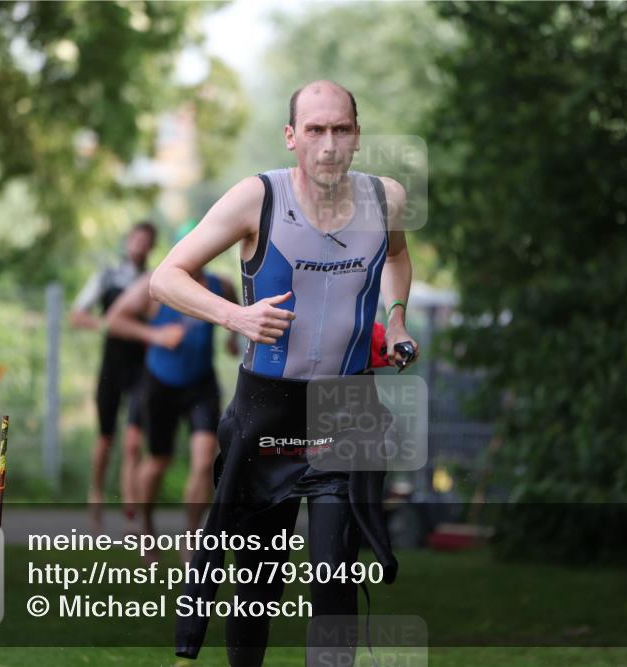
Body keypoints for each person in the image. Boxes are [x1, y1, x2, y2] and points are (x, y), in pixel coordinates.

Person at [149, 80, 419, 665]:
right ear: (292, 137)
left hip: (344, 410)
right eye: (316, 130)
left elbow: (396, 256)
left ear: (356, 137)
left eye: (341, 130)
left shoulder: (385, 200)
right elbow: (166, 276)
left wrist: (395, 320)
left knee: (333, 579)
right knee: (256, 589)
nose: (328, 145)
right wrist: (234, 316)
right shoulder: (257, 199)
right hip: (267, 410)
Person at [106, 221, 241, 562]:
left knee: (203, 461)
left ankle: (192, 536)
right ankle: (146, 527)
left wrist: (231, 337)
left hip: (201, 384)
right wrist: (155, 336)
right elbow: (115, 319)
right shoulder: (155, 285)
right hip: (160, 384)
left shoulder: (219, 284)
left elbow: (234, 305)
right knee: (157, 462)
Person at [69, 221, 156, 528]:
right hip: (111, 367)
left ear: (152, 246)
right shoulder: (107, 276)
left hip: (142, 369)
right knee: (106, 437)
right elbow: (77, 314)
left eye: (147, 241)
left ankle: (131, 505)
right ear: (127, 241)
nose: (140, 245)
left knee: (134, 440)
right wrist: (106, 324)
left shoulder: (153, 281)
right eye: (136, 239)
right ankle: (96, 496)